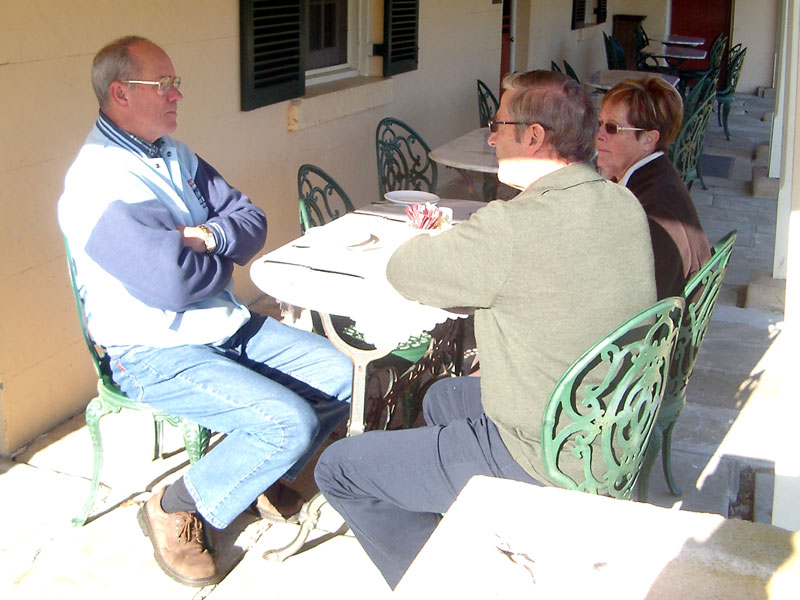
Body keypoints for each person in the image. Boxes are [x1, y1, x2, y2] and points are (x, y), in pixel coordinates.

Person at [314, 70, 658, 589]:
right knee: (442, 396)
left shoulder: (513, 227)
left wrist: (433, 239)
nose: (492, 138)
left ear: (534, 136)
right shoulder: (622, 202)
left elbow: (406, 271)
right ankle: (470, 528)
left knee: (339, 469)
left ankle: (436, 584)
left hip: (541, 456)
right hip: (605, 433)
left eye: (498, 125)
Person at [58, 36, 352, 587]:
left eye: (175, 82)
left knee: (341, 376)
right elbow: (172, 283)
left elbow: (251, 220)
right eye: (163, 84)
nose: (177, 94)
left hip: (223, 326)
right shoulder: (98, 182)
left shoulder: (174, 154)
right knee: (286, 423)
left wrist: (206, 237)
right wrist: (222, 260)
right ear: (120, 94)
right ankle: (171, 506)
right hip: (152, 351)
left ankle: (255, 477)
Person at [596, 76, 711, 299]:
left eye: (612, 128)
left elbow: (643, 301)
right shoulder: (654, 176)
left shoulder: (655, 211)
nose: (599, 135)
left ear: (649, 140)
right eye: (599, 123)